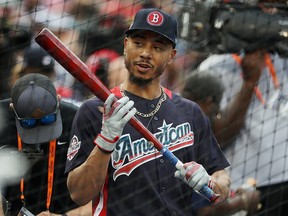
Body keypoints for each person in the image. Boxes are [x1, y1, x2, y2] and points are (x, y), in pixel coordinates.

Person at [65, 8, 231, 216]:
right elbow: (79, 194)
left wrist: (211, 182)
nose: (145, 53)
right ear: (126, 45)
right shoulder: (96, 110)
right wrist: (106, 141)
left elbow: (222, 177)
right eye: (139, 43)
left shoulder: (190, 112)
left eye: (157, 47)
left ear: (171, 55)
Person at [199, 1, 288, 214]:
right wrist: (249, 83)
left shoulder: (283, 57)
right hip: (248, 188)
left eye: (273, 7)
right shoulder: (214, 66)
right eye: (264, 7)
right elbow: (217, 140)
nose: (271, 13)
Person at [0, 74, 90, 215]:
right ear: (13, 108)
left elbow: (102, 196)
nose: (38, 132)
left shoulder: (78, 120)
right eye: (28, 123)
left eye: (48, 120)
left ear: (58, 101)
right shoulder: (2, 119)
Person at [182, 70, 262, 215]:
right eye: (216, 107)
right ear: (208, 102)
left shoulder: (174, 123)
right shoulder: (192, 135)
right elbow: (204, 211)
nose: (217, 112)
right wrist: (242, 201)